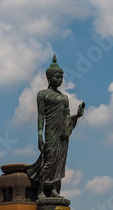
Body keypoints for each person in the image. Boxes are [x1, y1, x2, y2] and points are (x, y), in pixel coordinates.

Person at [26, 56, 84, 200]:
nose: (60, 80)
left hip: (63, 133)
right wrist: (40, 135)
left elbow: (67, 117)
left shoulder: (64, 97)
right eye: (57, 77)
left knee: (60, 161)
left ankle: (53, 189)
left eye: (61, 77)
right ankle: (41, 189)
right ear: (49, 77)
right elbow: (41, 116)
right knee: (50, 159)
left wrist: (77, 116)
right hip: (51, 130)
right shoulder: (42, 94)